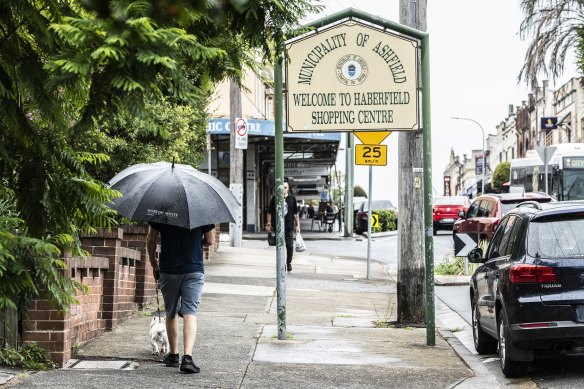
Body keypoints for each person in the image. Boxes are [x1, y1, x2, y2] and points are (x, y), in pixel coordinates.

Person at [147, 223, 215, 374]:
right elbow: (210, 240)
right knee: (190, 313)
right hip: (193, 269)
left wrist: (153, 262)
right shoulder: (202, 209)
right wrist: (195, 242)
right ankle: (188, 358)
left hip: (169, 268)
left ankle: (173, 356)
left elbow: (151, 239)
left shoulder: (160, 209)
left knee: (171, 312)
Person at [266, 180, 300, 272]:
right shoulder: (275, 198)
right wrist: (269, 223)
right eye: (282, 187)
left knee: (290, 246)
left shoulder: (292, 199)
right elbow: (269, 212)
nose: (283, 189)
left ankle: (288, 262)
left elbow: (295, 214)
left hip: (289, 227)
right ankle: (281, 263)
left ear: (288, 189)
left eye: (285, 187)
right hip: (278, 227)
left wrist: (298, 226)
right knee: (279, 247)